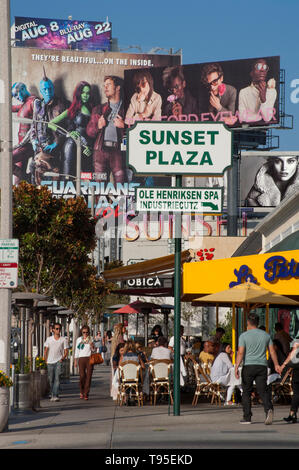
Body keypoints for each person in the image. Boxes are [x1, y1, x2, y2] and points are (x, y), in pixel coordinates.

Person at [234, 313, 280, 425]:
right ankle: (268, 409)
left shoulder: (243, 336)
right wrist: (276, 365)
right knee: (263, 390)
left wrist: (236, 367)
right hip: (262, 366)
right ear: (258, 323)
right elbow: (272, 351)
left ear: (248, 323)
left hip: (248, 366)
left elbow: (240, 353)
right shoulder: (266, 335)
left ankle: (247, 417)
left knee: (246, 392)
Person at [30, 68, 68, 184]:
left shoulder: (62, 105)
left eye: (50, 88)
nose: (48, 91)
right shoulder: (38, 106)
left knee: (45, 168)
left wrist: (56, 143)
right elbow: (33, 126)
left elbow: (67, 128)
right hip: (39, 147)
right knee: (35, 169)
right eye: (45, 89)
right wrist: (33, 141)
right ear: (41, 90)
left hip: (54, 149)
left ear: (53, 88)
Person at [86, 75, 126, 184]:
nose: (105, 88)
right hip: (100, 151)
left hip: (118, 152)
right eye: (104, 86)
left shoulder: (127, 109)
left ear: (118, 87)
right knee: (99, 188)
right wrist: (98, 126)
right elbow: (89, 132)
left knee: (121, 188)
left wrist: (125, 126)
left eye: (108, 85)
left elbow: (139, 132)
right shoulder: (99, 109)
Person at [48, 81, 94, 177]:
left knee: (88, 177)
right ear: (78, 94)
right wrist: (67, 134)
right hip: (71, 146)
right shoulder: (71, 110)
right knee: (68, 176)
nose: (85, 95)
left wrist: (90, 147)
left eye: (88, 93)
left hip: (85, 147)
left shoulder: (93, 109)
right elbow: (50, 124)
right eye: (83, 92)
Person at [11, 82, 38, 184]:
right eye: (14, 96)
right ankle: (26, 179)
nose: (16, 97)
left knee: (5, 159)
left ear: (23, 89)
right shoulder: (24, 103)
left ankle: (27, 178)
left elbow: (35, 126)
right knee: (17, 184)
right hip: (22, 146)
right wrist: (10, 94)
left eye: (17, 94)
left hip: (28, 145)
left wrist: (20, 145)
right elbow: (8, 108)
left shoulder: (34, 102)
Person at [238, 58, 277, 124]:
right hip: (246, 130)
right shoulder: (243, 92)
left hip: (262, 131)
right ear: (251, 72)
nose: (262, 70)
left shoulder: (272, 92)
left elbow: (267, 118)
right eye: (258, 66)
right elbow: (242, 117)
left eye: (265, 67)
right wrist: (259, 117)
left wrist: (263, 100)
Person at [44, 322, 69, 402]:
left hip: (58, 361)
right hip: (50, 362)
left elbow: (66, 351)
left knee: (57, 378)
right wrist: (45, 360)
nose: (58, 330)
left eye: (59, 329)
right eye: (57, 329)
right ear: (53, 330)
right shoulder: (49, 339)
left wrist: (62, 358)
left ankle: (55, 395)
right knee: (50, 379)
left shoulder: (63, 339)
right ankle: (52, 393)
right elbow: (46, 350)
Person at [278, 335, 299, 423]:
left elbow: (292, 353)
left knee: (297, 393)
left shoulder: (298, 340)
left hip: (298, 369)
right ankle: (292, 413)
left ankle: (292, 413)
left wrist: (283, 365)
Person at [74, 325, 95, 400]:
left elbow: (93, 350)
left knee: (89, 377)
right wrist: (75, 361)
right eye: (84, 332)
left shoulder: (91, 338)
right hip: (81, 358)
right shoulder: (79, 340)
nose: (85, 334)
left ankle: (86, 393)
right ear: (81, 332)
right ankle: (81, 391)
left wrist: (92, 345)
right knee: (82, 376)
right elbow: (77, 350)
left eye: (87, 332)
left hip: (89, 358)